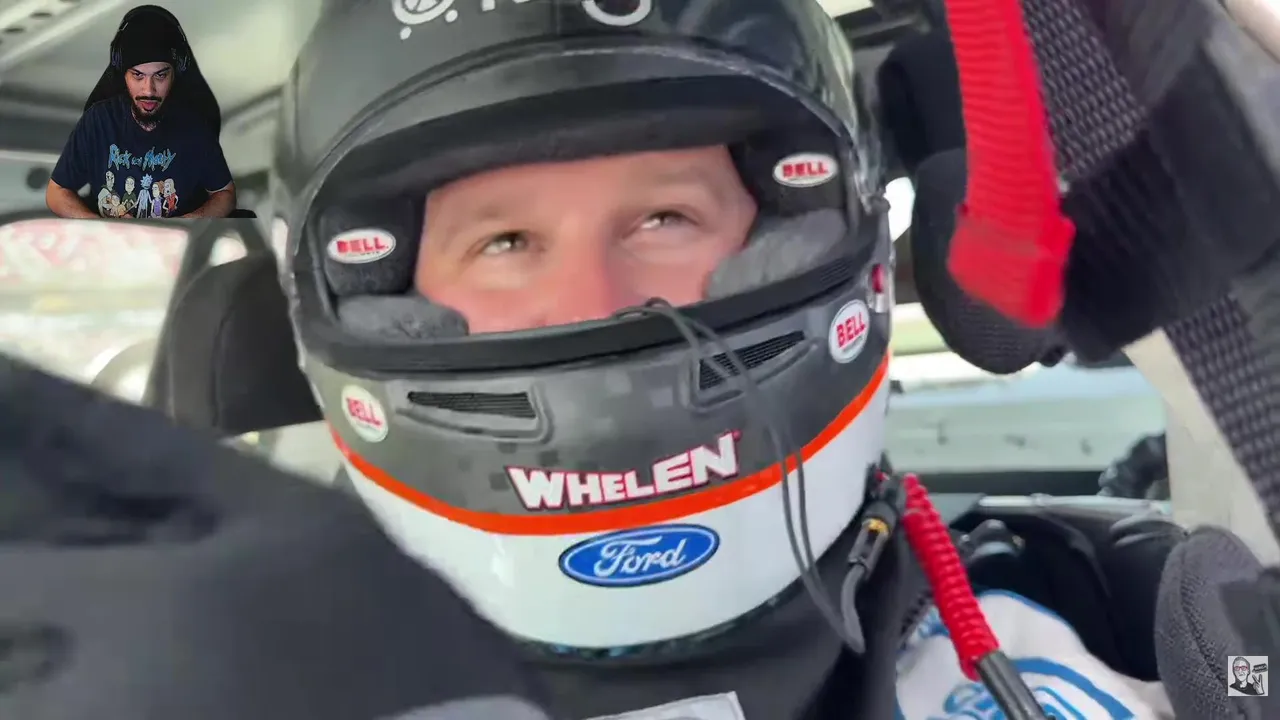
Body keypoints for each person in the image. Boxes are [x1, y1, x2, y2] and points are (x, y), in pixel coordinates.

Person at [44, 6, 234, 220]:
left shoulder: (195, 127)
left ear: (175, 73)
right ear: (123, 75)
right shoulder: (98, 121)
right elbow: (56, 192)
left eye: (160, 76)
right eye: (138, 76)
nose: (149, 90)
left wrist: (182, 226)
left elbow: (225, 194)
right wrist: (100, 227)